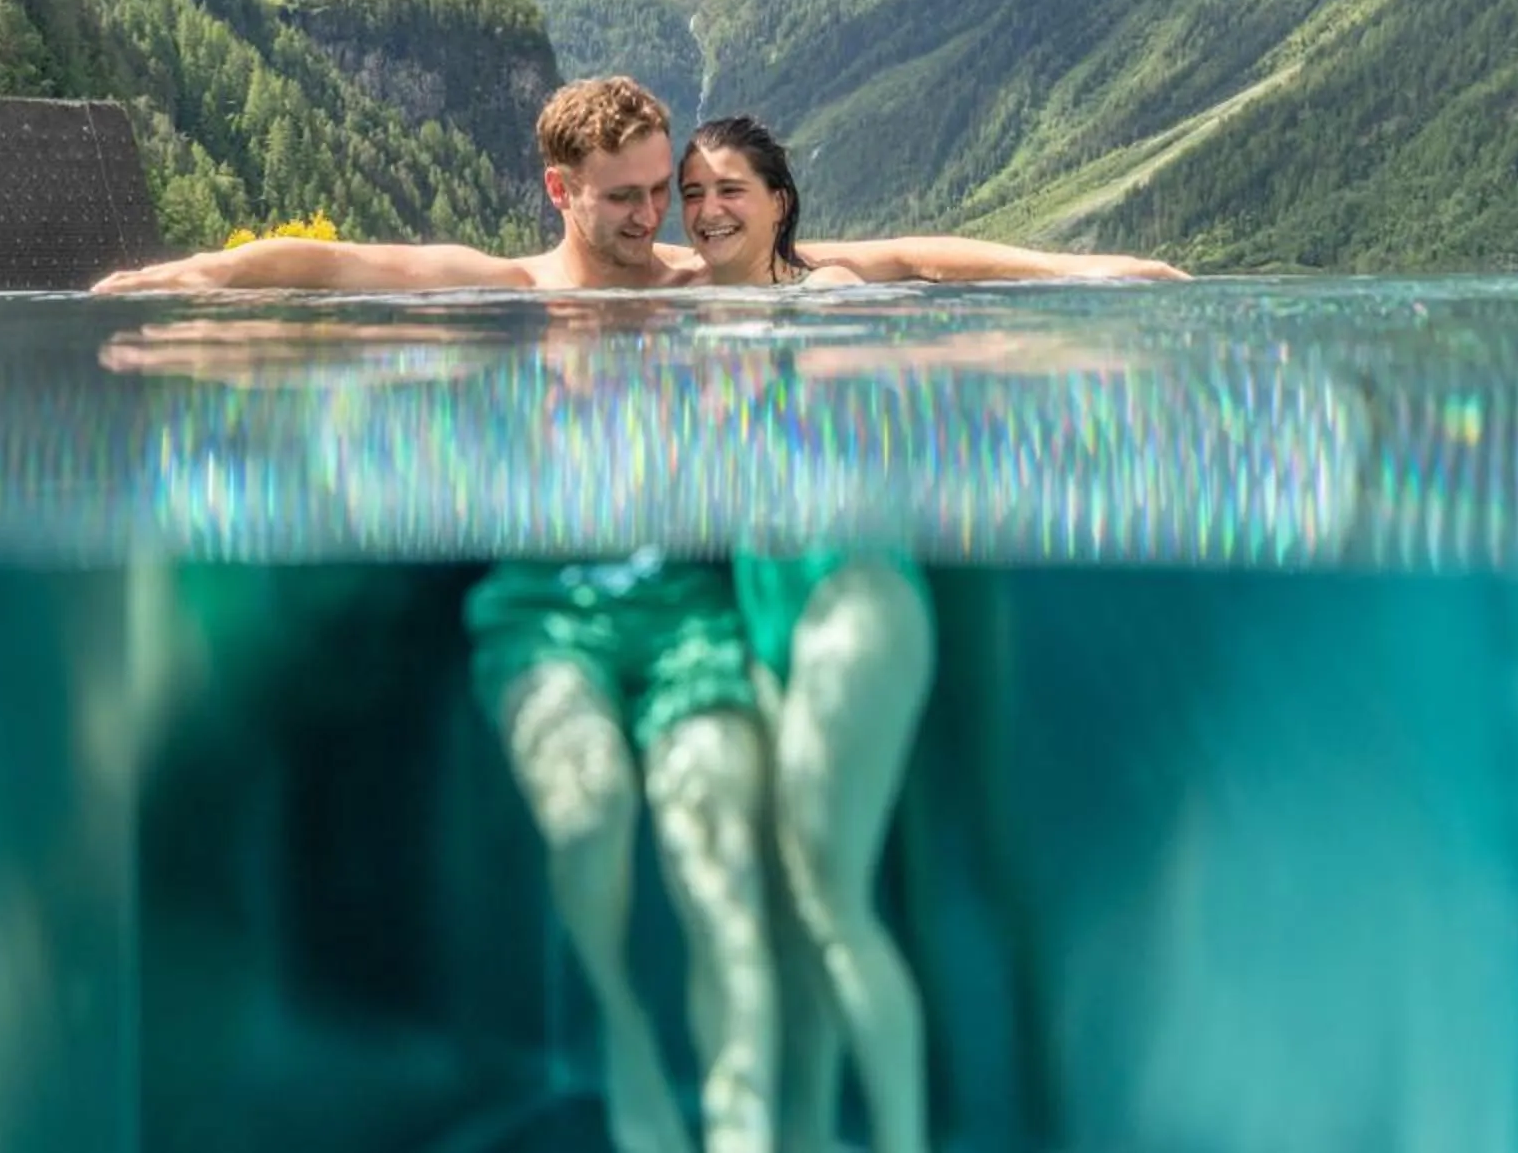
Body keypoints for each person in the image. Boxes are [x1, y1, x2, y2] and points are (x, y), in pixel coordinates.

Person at [89, 75, 1188, 1153]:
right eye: (626, 195)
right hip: (561, 614)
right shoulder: (515, 287)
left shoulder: (689, 281)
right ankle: (631, 1055)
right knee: (597, 835)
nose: (657, 215)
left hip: (690, 624)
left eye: (663, 188)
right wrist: (191, 275)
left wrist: (1074, 269)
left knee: (734, 886)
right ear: (560, 189)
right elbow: (342, 263)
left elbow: (907, 257)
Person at [679, 114, 1181, 1153]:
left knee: (830, 905)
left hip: (854, 601)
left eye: (730, 187)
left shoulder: (827, 296)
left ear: (779, 201)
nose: (706, 208)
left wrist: (1084, 273)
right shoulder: (681, 302)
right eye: (692, 192)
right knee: (788, 912)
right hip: (770, 611)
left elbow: (919, 258)